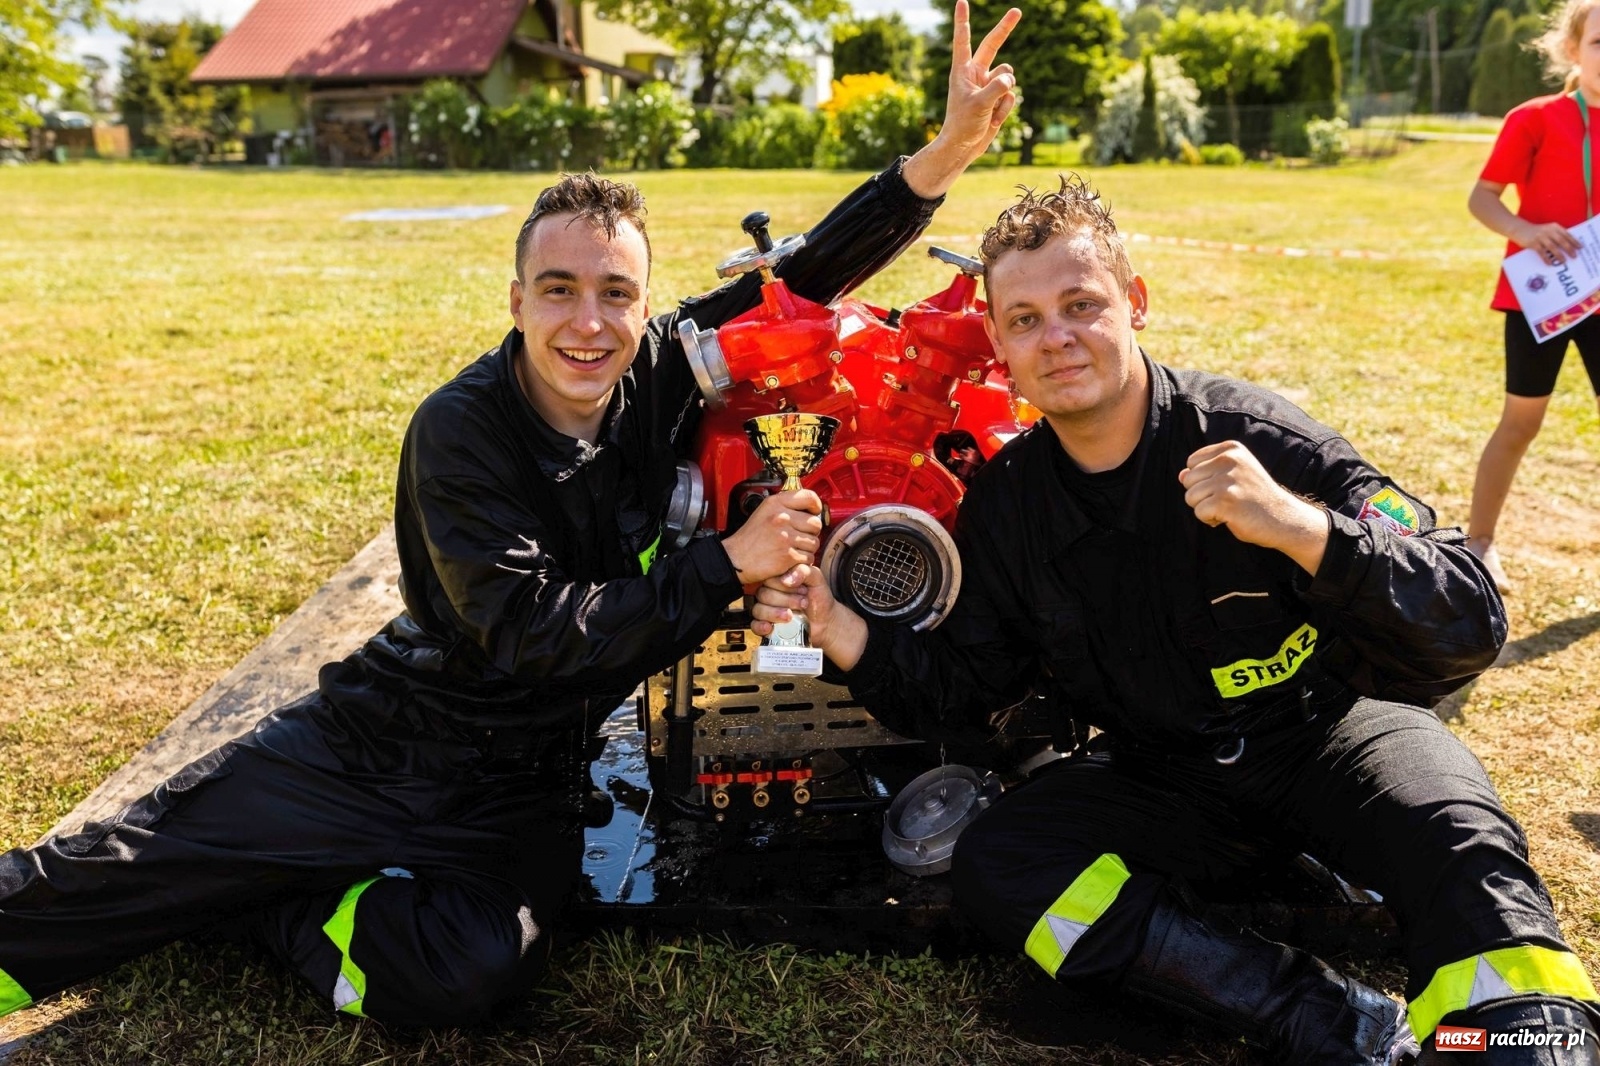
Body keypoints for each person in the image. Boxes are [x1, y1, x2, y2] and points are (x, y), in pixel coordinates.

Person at [0, 0, 1021, 1029]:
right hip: (400, 734)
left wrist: (936, 159)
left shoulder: (657, 370)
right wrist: (724, 564)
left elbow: (799, 281)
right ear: (518, 299)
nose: (589, 322)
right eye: (559, 289)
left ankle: (283, 910)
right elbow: (529, 632)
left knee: (479, 968)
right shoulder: (460, 430)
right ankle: (198, 881)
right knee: (113, 870)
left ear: (643, 303)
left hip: (526, 777)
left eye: (616, 293)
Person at [754, 175, 1600, 1064]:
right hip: (1163, 777)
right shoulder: (1009, 505)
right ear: (1000, 345)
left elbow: (1468, 613)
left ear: (1137, 304)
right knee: (1001, 861)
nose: (1059, 337)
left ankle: (1521, 1047)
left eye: (1082, 304)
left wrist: (1302, 529)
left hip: (1331, 741)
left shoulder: (1261, 439)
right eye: (1028, 319)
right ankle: (1335, 1023)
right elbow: (972, 691)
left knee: (1459, 837)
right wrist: (837, 627)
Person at [1465, 0, 1600, 592]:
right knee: (1521, 423)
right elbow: (1483, 198)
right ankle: (1479, 545)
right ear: (1571, 50)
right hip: (1538, 300)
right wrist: (1525, 231)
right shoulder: (1536, 118)